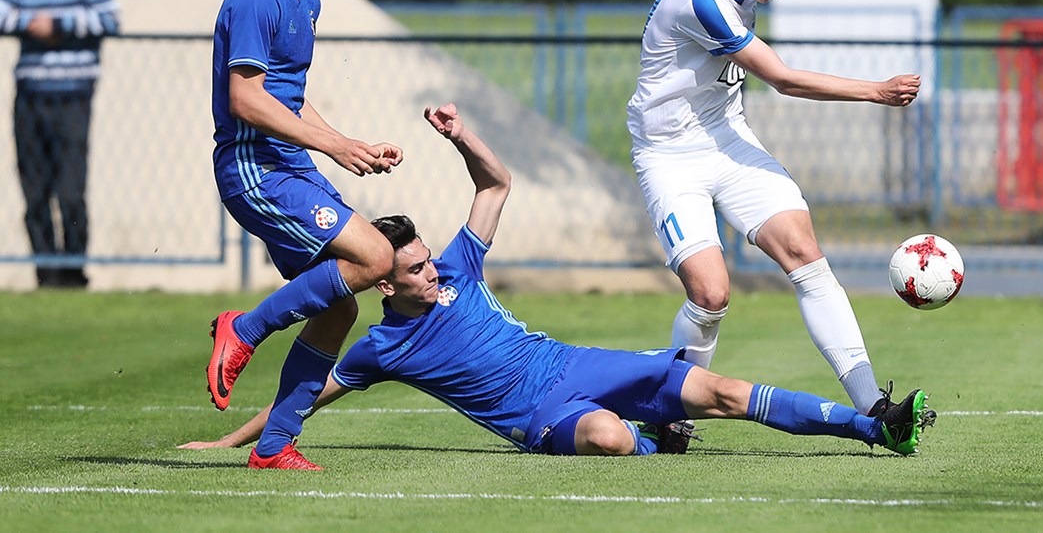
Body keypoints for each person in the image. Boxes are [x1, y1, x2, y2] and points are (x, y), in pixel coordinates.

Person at [180, 103, 935, 467]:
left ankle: (876, 426)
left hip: (575, 364)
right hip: (538, 415)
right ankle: (649, 437)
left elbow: (496, 185)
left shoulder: (459, 266)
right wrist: (237, 435)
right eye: (412, 269)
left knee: (724, 392)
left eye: (424, 259)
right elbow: (308, 396)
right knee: (610, 438)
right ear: (386, 285)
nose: (429, 269)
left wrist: (462, 135)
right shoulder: (380, 346)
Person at [626, 0, 924, 416]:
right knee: (711, 294)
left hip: (726, 138)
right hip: (669, 156)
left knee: (803, 251)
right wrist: (876, 91)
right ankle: (667, 411)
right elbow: (782, 79)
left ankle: (875, 407)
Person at [205, 0, 402, 469]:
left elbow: (286, 99)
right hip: (253, 167)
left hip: (287, 162)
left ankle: (273, 445)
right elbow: (247, 100)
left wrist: (346, 142)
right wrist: (334, 148)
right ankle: (243, 328)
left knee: (340, 306)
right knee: (375, 257)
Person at [0, 0, 120, 288]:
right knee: (34, 192)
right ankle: (46, 275)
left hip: (73, 96)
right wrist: (29, 24)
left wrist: (60, 24)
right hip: (30, 95)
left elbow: (110, 20)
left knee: (70, 191)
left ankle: (72, 273)